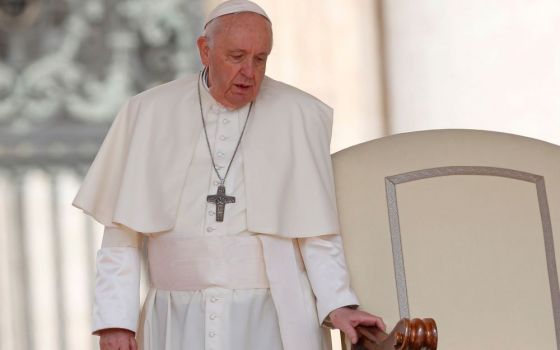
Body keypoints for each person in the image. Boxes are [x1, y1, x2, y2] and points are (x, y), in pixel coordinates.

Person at [73, 1, 386, 349]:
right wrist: (115, 323)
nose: (249, 73)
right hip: (176, 317)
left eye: (260, 59)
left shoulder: (299, 114)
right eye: (236, 57)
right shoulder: (148, 113)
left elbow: (316, 233)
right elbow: (121, 236)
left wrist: (339, 303)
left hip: (273, 317)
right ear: (205, 51)